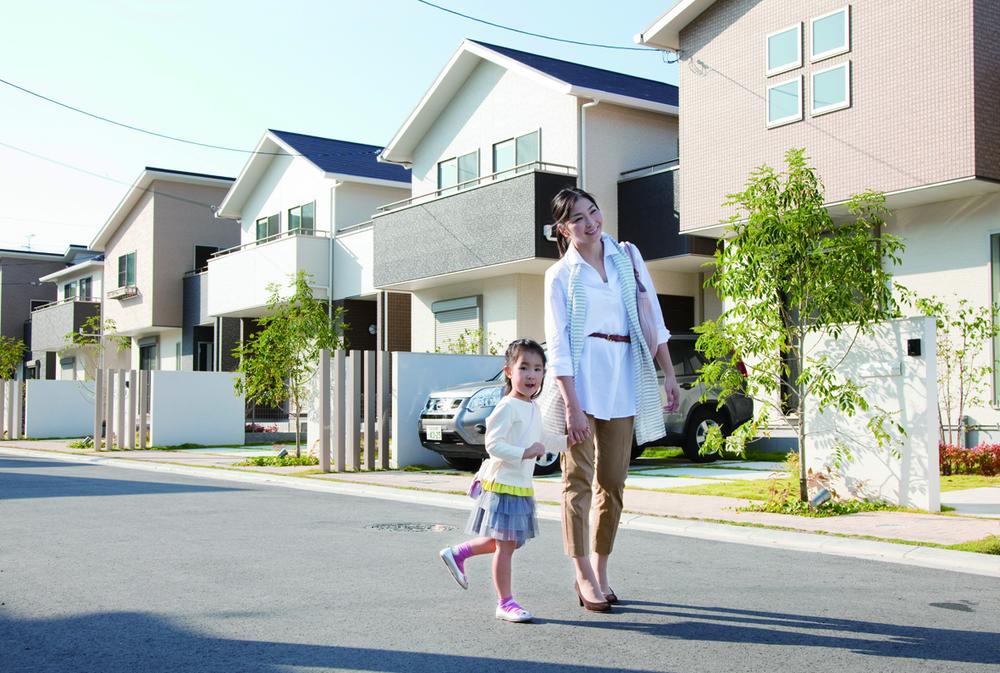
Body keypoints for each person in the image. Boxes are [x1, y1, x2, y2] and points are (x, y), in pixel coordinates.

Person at [544, 187, 680, 612]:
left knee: (613, 483)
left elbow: (650, 315)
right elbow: (559, 343)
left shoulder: (628, 258)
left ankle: (602, 570)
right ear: (564, 229)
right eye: (578, 218)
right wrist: (571, 403)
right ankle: (582, 573)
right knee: (577, 481)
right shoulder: (560, 275)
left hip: (623, 375)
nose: (591, 222)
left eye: (593, 211)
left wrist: (669, 374)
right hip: (582, 381)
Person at [438, 339, 567, 623]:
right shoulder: (507, 406)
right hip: (503, 486)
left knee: (508, 542)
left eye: (537, 368)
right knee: (506, 544)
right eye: (524, 368)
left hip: (519, 487)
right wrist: (525, 453)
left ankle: (458, 552)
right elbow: (493, 445)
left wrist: (571, 442)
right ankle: (505, 602)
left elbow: (542, 439)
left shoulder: (532, 407)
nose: (532, 375)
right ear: (508, 371)